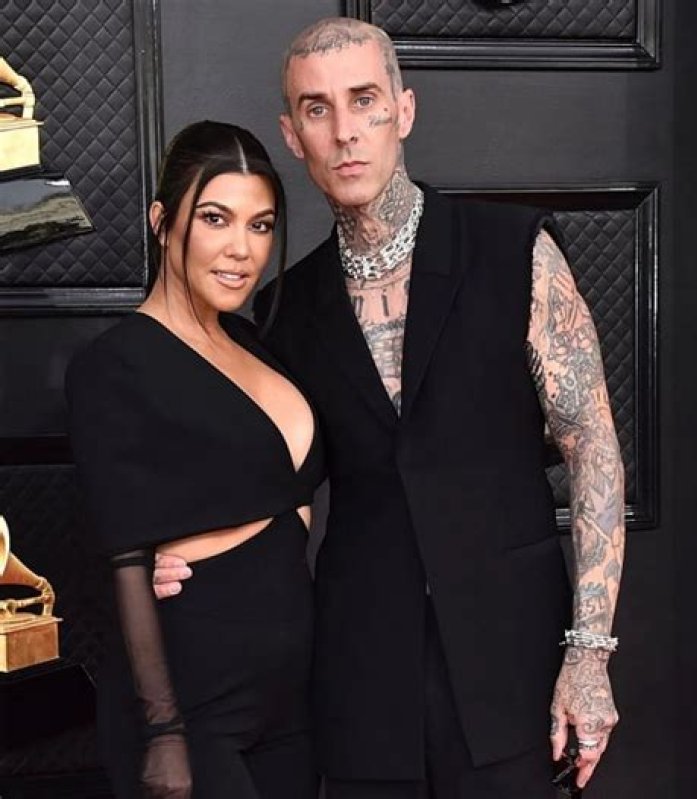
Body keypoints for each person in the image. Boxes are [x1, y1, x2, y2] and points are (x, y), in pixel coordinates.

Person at [156, 17, 625, 798]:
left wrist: (589, 655)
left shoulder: (512, 251)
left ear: (403, 111)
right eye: (317, 109)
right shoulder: (284, 310)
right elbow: (270, 490)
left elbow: (593, 447)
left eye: (364, 100)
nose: (344, 131)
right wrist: (182, 553)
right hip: (363, 679)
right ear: (292, 134)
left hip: (514, 665)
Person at [66, 120, 323, 799]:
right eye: (215, 218)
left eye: (260, 225)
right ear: (162, 221)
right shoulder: (113, 366)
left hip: (293, 706)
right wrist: (164, 732)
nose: (242, 248)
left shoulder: (257, 343)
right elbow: (125, 558)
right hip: (195, 712)